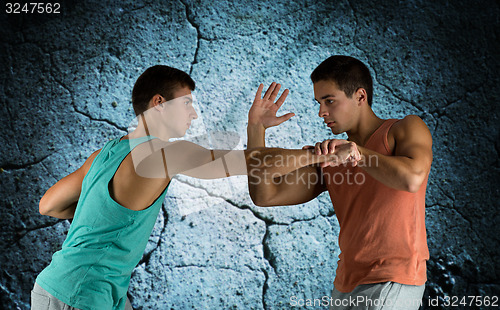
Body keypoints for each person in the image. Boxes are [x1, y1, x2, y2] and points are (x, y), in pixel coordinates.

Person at [32, 65, 343, 310]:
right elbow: (254, 163)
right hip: (82, 295)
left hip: (64, 286)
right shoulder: (163, 154)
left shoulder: (104, 154)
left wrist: (102, 216)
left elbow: (49, 205)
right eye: (187, 103)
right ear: (159, 104)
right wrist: (322, 154)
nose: (194, 113)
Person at [247, 55, 432, 310]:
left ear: (360, 97)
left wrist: (355, 152)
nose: (321, 112)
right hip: (345, 284)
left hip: (394, 278)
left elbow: (412, 178)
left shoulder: (404, 128)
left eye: (329, 101)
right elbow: (264, 195)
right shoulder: (330, 156)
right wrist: (256, 128)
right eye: (319, 103)